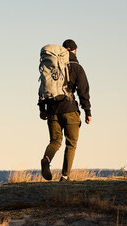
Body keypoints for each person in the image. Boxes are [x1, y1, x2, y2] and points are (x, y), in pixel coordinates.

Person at [39, 39, 91, 181]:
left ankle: (46, 159)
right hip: (70, 110)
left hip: (52, 109)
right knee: (71, 143)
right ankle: (65, 176)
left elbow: (43, 86)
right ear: (74, 50)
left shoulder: (51, 66)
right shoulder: (76, 67)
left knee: (55, 141)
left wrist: (42, 108)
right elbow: (83, 91)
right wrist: (88, 112)